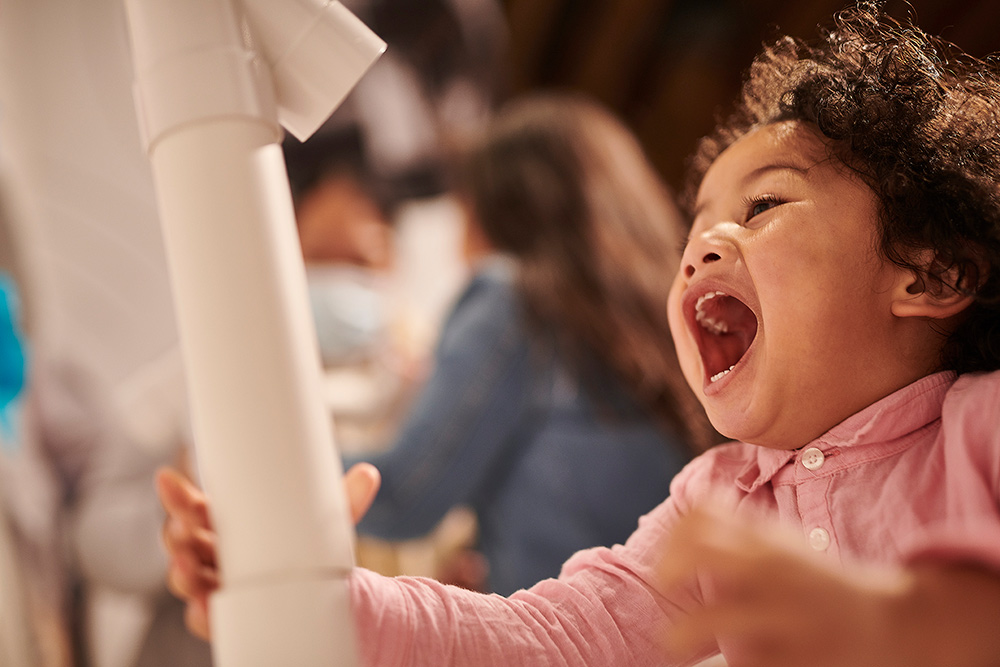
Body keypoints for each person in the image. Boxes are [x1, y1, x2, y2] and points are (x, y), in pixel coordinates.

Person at [158, 4, 1000, 665]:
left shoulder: (981, 429)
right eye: (694, 228)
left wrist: (886, 621)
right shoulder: (717, 498)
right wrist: (305, 594)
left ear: (931, 275)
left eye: (764, 206)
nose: (703, 246)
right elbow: (555, 637)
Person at [346, 92, 708, 594]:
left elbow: (400, 497)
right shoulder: (670, 323)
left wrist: (261, 458)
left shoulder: (513, 301)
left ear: (489, 212)